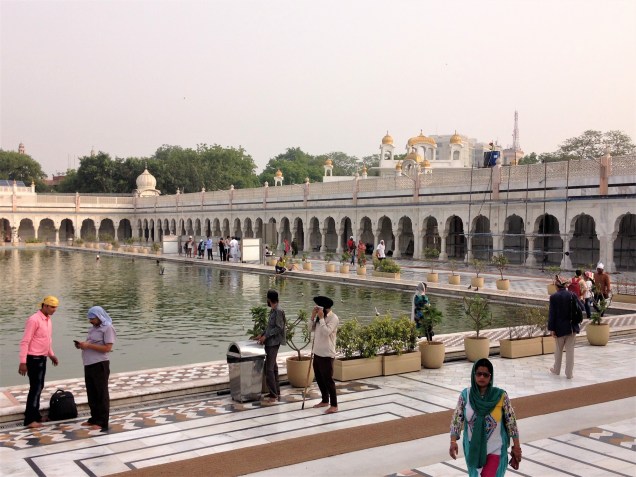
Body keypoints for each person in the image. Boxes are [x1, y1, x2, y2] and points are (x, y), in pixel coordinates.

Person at [450, 358, 522, 476]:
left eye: (486, 375)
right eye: (479, 374)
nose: (482, 377)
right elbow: (457, 420)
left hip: (496, 449)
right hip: (474, 450)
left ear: (491, 377)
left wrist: (517, 447)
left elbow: (511, 423)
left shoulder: (500, 396)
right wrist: (453, 441)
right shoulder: (465, 395)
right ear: (474, 375)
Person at [19, 296, 60, 428]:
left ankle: (34, 415)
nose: (54, 310)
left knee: (39, 387)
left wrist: (51, 355)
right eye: (52, 307)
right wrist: (23, 362)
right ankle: (30, 420)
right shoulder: (34, 320)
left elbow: (46, 340)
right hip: (33, 359)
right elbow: (25, 341)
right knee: (35, 388)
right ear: (45, 306)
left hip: (42, 357)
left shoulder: (48, 320)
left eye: (56, 307)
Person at [75, 306, 116, 431]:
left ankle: (102, 421)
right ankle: (94, 418)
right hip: (89, 364)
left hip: (100, 364)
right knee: (91, 393)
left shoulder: (108, 328)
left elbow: (107, 348)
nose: (90, 321)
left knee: (101, 393)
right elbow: (91, 344)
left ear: (99, 317)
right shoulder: (93, 329)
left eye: (92, 318)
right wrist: (82, 345)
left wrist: (88, 345)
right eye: (89, 319)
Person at [310, 295, 339, 414]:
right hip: (317, 352)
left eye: (319, 308)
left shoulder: (334, 318)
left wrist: (321, 318)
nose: (318, 310)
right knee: (318, 377)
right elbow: (310, 329)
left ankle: (334, 404)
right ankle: (324, 400)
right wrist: (313, 317)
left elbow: (326, 332)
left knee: (328, 379)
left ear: (325, 308)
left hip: (327, 353)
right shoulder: (318, 318)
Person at [548, 275, 580, 379]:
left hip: (559, 328)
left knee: (558, 350)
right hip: (571, 327)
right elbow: (581, 307)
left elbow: (552, 314)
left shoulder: (553, 297)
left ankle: (556, 370)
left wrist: (551, 329)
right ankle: (569, 374)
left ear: (557, 286)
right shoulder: (572, 295)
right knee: (570, 351)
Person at [256, 290, 286, 402]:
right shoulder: (274, 310)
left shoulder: (278, 311)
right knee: (273, 367)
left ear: (269, 299)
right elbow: (270, 326)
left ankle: (273, 395)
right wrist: (262, 334)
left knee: (269, 369)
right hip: (270, 342)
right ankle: (276, 392)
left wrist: (266, 336)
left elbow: (279, 327)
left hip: (273, 343)